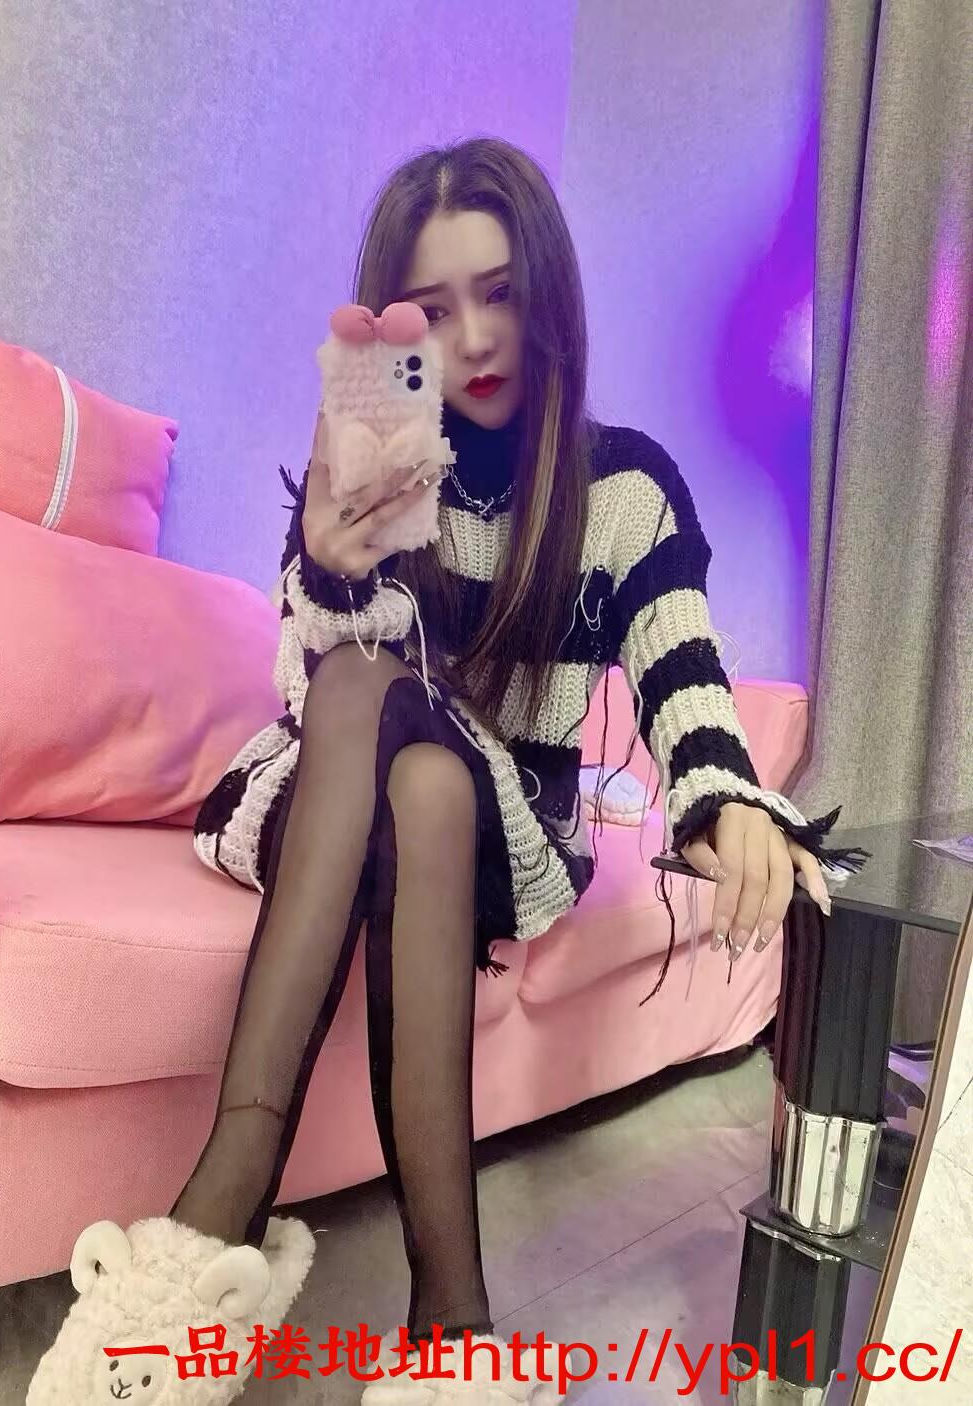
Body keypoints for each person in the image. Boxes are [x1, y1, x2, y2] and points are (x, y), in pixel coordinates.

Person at [175, 137, 867, 1385]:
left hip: (498, 828)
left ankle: (213, 1224)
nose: (476, 337)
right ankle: (452, 1328)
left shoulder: (626, 487)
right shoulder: (379, 459)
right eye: (433, 311)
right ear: (395, 329)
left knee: (434, 776)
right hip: (328, 789)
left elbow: (684, 672)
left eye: (498, 292)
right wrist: (330, 568)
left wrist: (720, 796)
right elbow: (319, 687)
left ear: (547, 289)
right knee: (368, 702)